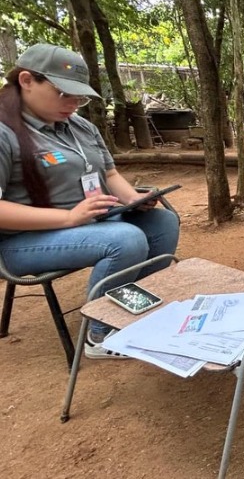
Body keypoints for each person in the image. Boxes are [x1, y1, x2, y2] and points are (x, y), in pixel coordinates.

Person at [0, 44, 180, 360]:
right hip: (22, 241)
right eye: (63, 93)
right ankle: (100, 334)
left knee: (163, 221)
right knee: (125, 240)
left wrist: (133, 199)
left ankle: (132, 309)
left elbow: (108, 173)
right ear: (27, 80)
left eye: (79, 96)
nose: (73, 103)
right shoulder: (5, 132)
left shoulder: (81, 126)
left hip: (91, 221)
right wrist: (68, 219)